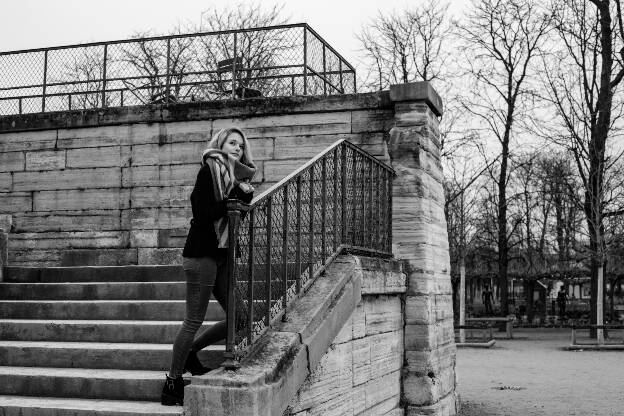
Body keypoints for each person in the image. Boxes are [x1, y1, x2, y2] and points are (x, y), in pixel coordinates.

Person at [161, 128, 256, 406]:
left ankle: (190, 351)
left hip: (222, 255)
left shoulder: (236, 177)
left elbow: (239, 207)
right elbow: (203, 213)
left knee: (241, 318)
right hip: (202, 254)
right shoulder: (209, 171)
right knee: (194, 319)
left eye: (241, 144)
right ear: (220, 144)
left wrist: (240, 193)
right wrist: (232, 198)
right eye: (232, 142)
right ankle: (172, 383)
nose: (237, 148)